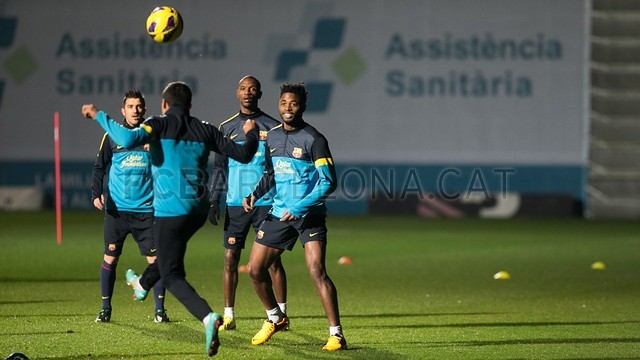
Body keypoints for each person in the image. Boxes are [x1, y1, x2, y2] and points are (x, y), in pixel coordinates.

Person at [82, 81, 258, 357]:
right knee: (166, 257)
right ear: (189, 106)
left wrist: (98, 115)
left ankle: (206, 316)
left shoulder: (158, 124)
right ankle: (142, 284)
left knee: (173, 272)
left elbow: (127, 139)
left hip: (169, 212)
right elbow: (245, 155)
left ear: (164, 105)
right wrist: (252, 133)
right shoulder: (206, 129)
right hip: (197, 212)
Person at [243, 82, 346, 351]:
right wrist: (254, 194)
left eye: (294, 103)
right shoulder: (273, 137)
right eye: (284, 103)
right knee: (254, 269)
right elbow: (270, 175)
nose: (288, 108)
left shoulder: (315, 140)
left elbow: (328, 182)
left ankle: (336, 335)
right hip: (279, 213)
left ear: (302, 107)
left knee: (317, 271)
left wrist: (300, 207)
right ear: (278, 105)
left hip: (308, 215)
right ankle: (275, 318)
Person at [208, 75, 288, 331]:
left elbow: (278, 168)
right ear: (237, 93)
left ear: (260, 94)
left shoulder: (273, 127)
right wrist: (213, 200)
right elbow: (220, 167)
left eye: (253, 89)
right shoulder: (226, 127)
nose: (248, 92)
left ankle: (282, 315)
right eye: (243, 88)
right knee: (230, 258)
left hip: (265, 203)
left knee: (272, 262)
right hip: (234, 203)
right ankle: (229, 315)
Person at [91, 89, 169, 324]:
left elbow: (163, 169)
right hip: (117, 212)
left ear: (144, 109)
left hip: (146, 211)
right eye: (131, 107)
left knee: (156, 263)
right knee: (110, 259)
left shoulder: (151, 135)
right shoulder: (112, 135)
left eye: (139, 106)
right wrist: (96, 193)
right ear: (123, 111)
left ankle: (159, 310)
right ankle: (105, 309)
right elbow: (99, 167)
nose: (135, 110)